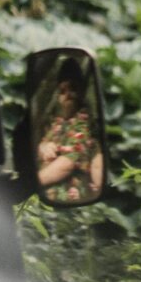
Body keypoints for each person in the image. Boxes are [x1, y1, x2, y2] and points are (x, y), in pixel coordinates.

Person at [31, 59, 104, 205]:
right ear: (58, 97)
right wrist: (43, 147)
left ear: (81, 92)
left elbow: (66, 165)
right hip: (46, 203)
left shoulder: (84, 124)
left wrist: (30, 184)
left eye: (72, 88)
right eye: (62, 91)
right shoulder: (57, 124)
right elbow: (43, 146)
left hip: (71, 207)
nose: (67, 95)